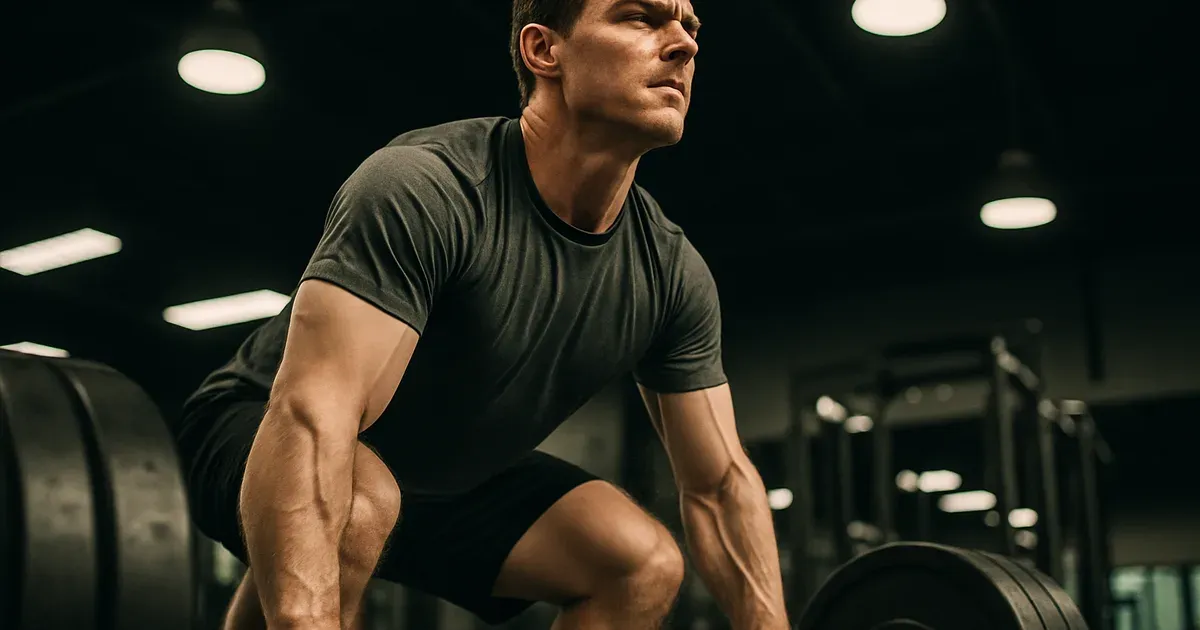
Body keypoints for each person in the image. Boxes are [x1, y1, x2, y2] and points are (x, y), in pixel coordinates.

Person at [174, 1, 788, 628]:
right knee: (359, 502)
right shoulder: (426, 187)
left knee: (639, 563)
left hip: (441, 475)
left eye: (689, 26)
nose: (685, 44)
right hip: (261, 424)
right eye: (640, 17)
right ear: (543, 50)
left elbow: (718, 487)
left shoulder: (670, 271)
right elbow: (311, 418)